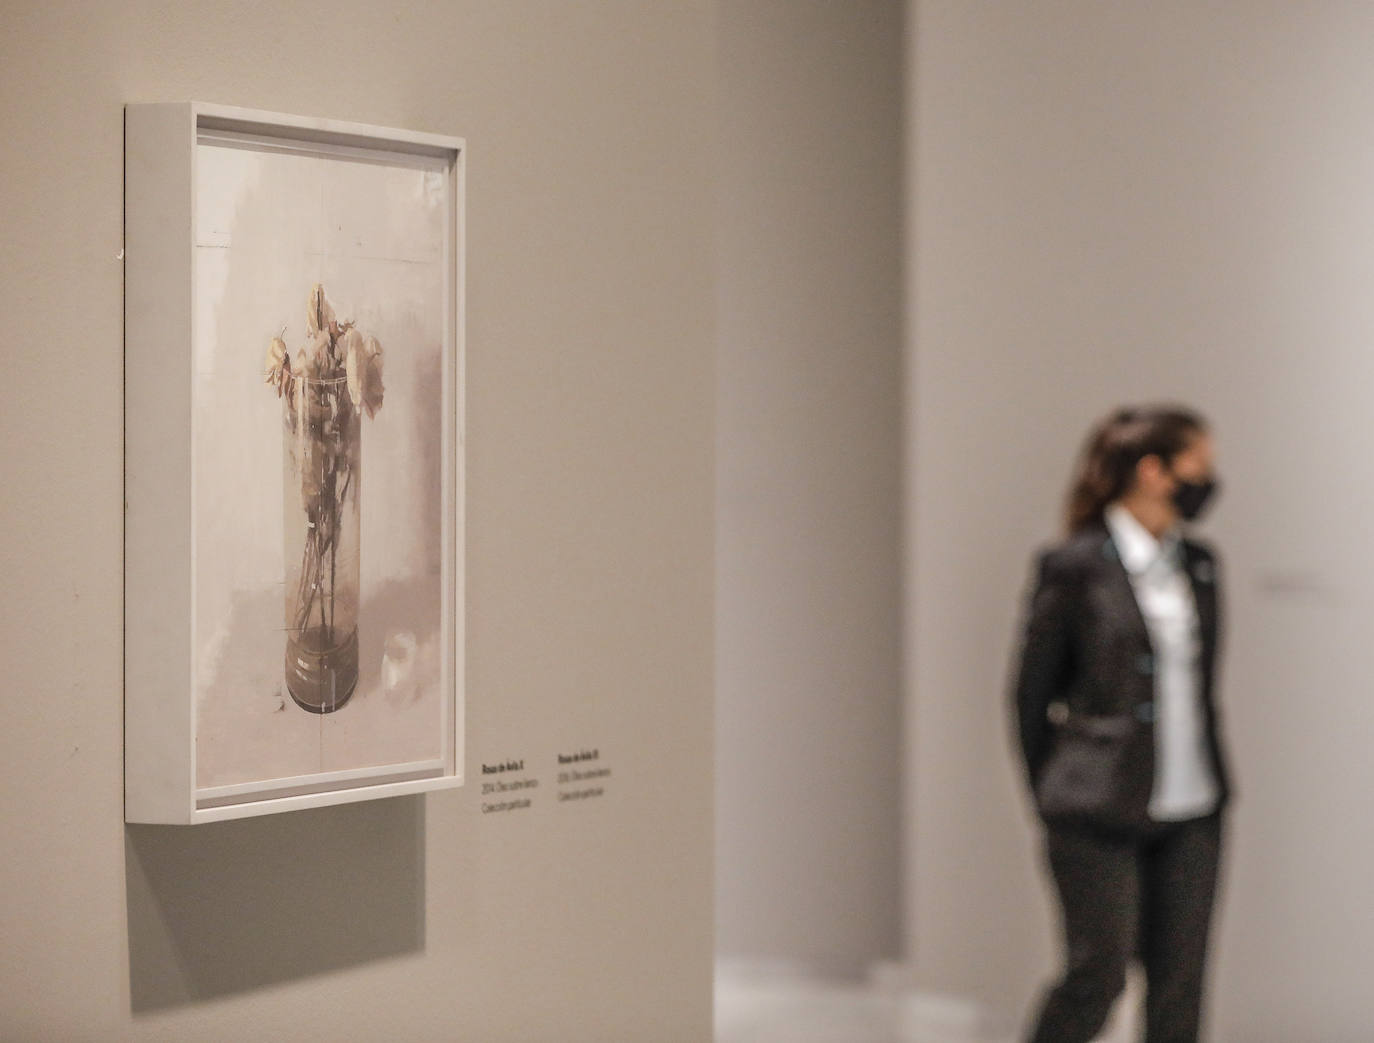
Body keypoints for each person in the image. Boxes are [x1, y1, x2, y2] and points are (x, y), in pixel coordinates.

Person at [1011, 405, 1233, 1043]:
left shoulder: (1199, 565)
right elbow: (1029, 695)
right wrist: (1052, 787)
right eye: (1199, 465)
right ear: (1152, 471)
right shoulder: (1075, 567)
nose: (1209, 480)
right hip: (1096, 806)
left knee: (1179, 985)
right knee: (1098, 973)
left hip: (1193, 806)